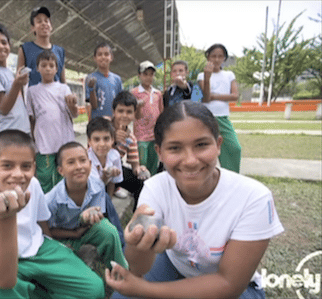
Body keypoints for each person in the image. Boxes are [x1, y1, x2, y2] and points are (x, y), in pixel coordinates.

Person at [106, 101, 284, 299]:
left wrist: (144, 290)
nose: (190, 160)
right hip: (174, 266)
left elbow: (229, 284)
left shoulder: (253, 198)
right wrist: (137, 245)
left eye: (201, 145)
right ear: (160, 153)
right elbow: (138, 268)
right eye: (174, 148)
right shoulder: (155, 188)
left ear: (218, 145)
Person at [0, 130, 104, 299]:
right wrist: (6, 218)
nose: (18, 174)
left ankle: (35, 289)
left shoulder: (33, 184)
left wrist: (58, 254)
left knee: (93, 289)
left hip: (38, 250)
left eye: (26, 166)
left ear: (34, 167)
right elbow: (4, 280)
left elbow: (42, 224)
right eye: (7, 165)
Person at [45, 141, 128, 270]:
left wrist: (86, 221)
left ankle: (120, 270)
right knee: (64, 260)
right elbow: (48, 231)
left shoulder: (97, 186)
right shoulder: (51, 200)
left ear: (90, 164)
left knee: (109, 231)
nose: (79, 167)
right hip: (62, 236)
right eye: (71, 162)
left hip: (86, 229)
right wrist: (75, 234)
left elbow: (98, 218)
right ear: (60, 171)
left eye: (83, 160)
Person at [26, 49, 78, 193]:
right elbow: (32, 118)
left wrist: (72, 105)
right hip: (44, 144)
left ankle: (63, 206)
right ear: (38, 68)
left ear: (56, 68)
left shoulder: (64, 89)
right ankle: (46, 210)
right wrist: (33, 142)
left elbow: (74, 115)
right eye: (44, 65)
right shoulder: (32, 91)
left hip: (64, 143)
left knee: (65, 176)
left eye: (51, 65)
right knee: (45, 177)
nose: (48, 68)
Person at [198, 43, 242, 173]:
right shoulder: (201, 75)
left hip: (222, 118)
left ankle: (232, 177)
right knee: (205, 150)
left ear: (224, 58)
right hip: (206, 118)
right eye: (213, 56)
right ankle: (205, 176)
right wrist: (207, 78)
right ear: (208, 57)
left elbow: (235, 96)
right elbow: (206, 98)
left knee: (234, 148)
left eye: (220, 56)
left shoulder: (229, 75)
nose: (216, 59)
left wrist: (215, 96)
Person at [86, 117, 126, 245]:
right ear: (89, 141)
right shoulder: (86, 159)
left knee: (108, 202)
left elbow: (113, 183)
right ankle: (120, 241)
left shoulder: (114, 156)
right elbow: (94, 187)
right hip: (87, 196)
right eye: (96, 139)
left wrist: (109, 200)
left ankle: (119, 241)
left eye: (106, 139)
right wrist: (106, 175)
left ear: (113, 140)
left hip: (102, 194)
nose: (102, 144)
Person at [112, 91, 150, 210]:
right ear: (114, 112)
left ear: (134, 114)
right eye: (120, 111)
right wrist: (112, 138)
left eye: (129, 112)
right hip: (97, 171)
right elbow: (92, 151)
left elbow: (135, 165)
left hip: (116, 171)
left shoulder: (131, 138)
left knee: (142, 184)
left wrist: (140, 170)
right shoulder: (103, 125)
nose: (124, 115)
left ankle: (137, 216)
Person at [17, 6, 66, 87]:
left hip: (57, 99)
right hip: (34, 98)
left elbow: (63, 80)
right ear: (33, 28)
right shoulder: (25, 49)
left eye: (46, 21)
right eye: (39, 21)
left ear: (51, 26)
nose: (44, 23)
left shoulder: (60, 51)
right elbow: (19, 80)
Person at [131, 60, 164, 176]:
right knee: (141, 165)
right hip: (141, 136)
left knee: (153, 164)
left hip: (154, 135)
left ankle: (152, 189)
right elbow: (134, 115)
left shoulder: (158, 94)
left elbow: (161, 112)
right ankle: (140, 190)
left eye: (151, 74)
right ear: (139, 75)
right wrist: (139, 107)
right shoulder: (134, 93)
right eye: (145, 74)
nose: (148, 77)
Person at [85, 42, 123, 119]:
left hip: (113, 121)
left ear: (111, 57)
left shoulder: (117, 79)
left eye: (106, 54)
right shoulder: (90, 78)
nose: (103, 57)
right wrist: (92, 89)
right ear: (95, 58)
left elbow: (120, 103)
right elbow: (94, 106)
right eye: (99, 54)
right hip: (98, 122)